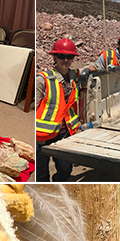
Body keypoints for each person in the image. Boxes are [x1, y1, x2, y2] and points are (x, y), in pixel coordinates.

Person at [36, 38, 81, 182]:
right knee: (41, 176)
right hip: (42, 136)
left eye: (70, 57)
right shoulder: (42, 79)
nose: (65, 60)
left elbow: (91, 68)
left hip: (64, 133)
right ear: (54, 57)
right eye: (61, 56)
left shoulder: (74, 76)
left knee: (65, 171)